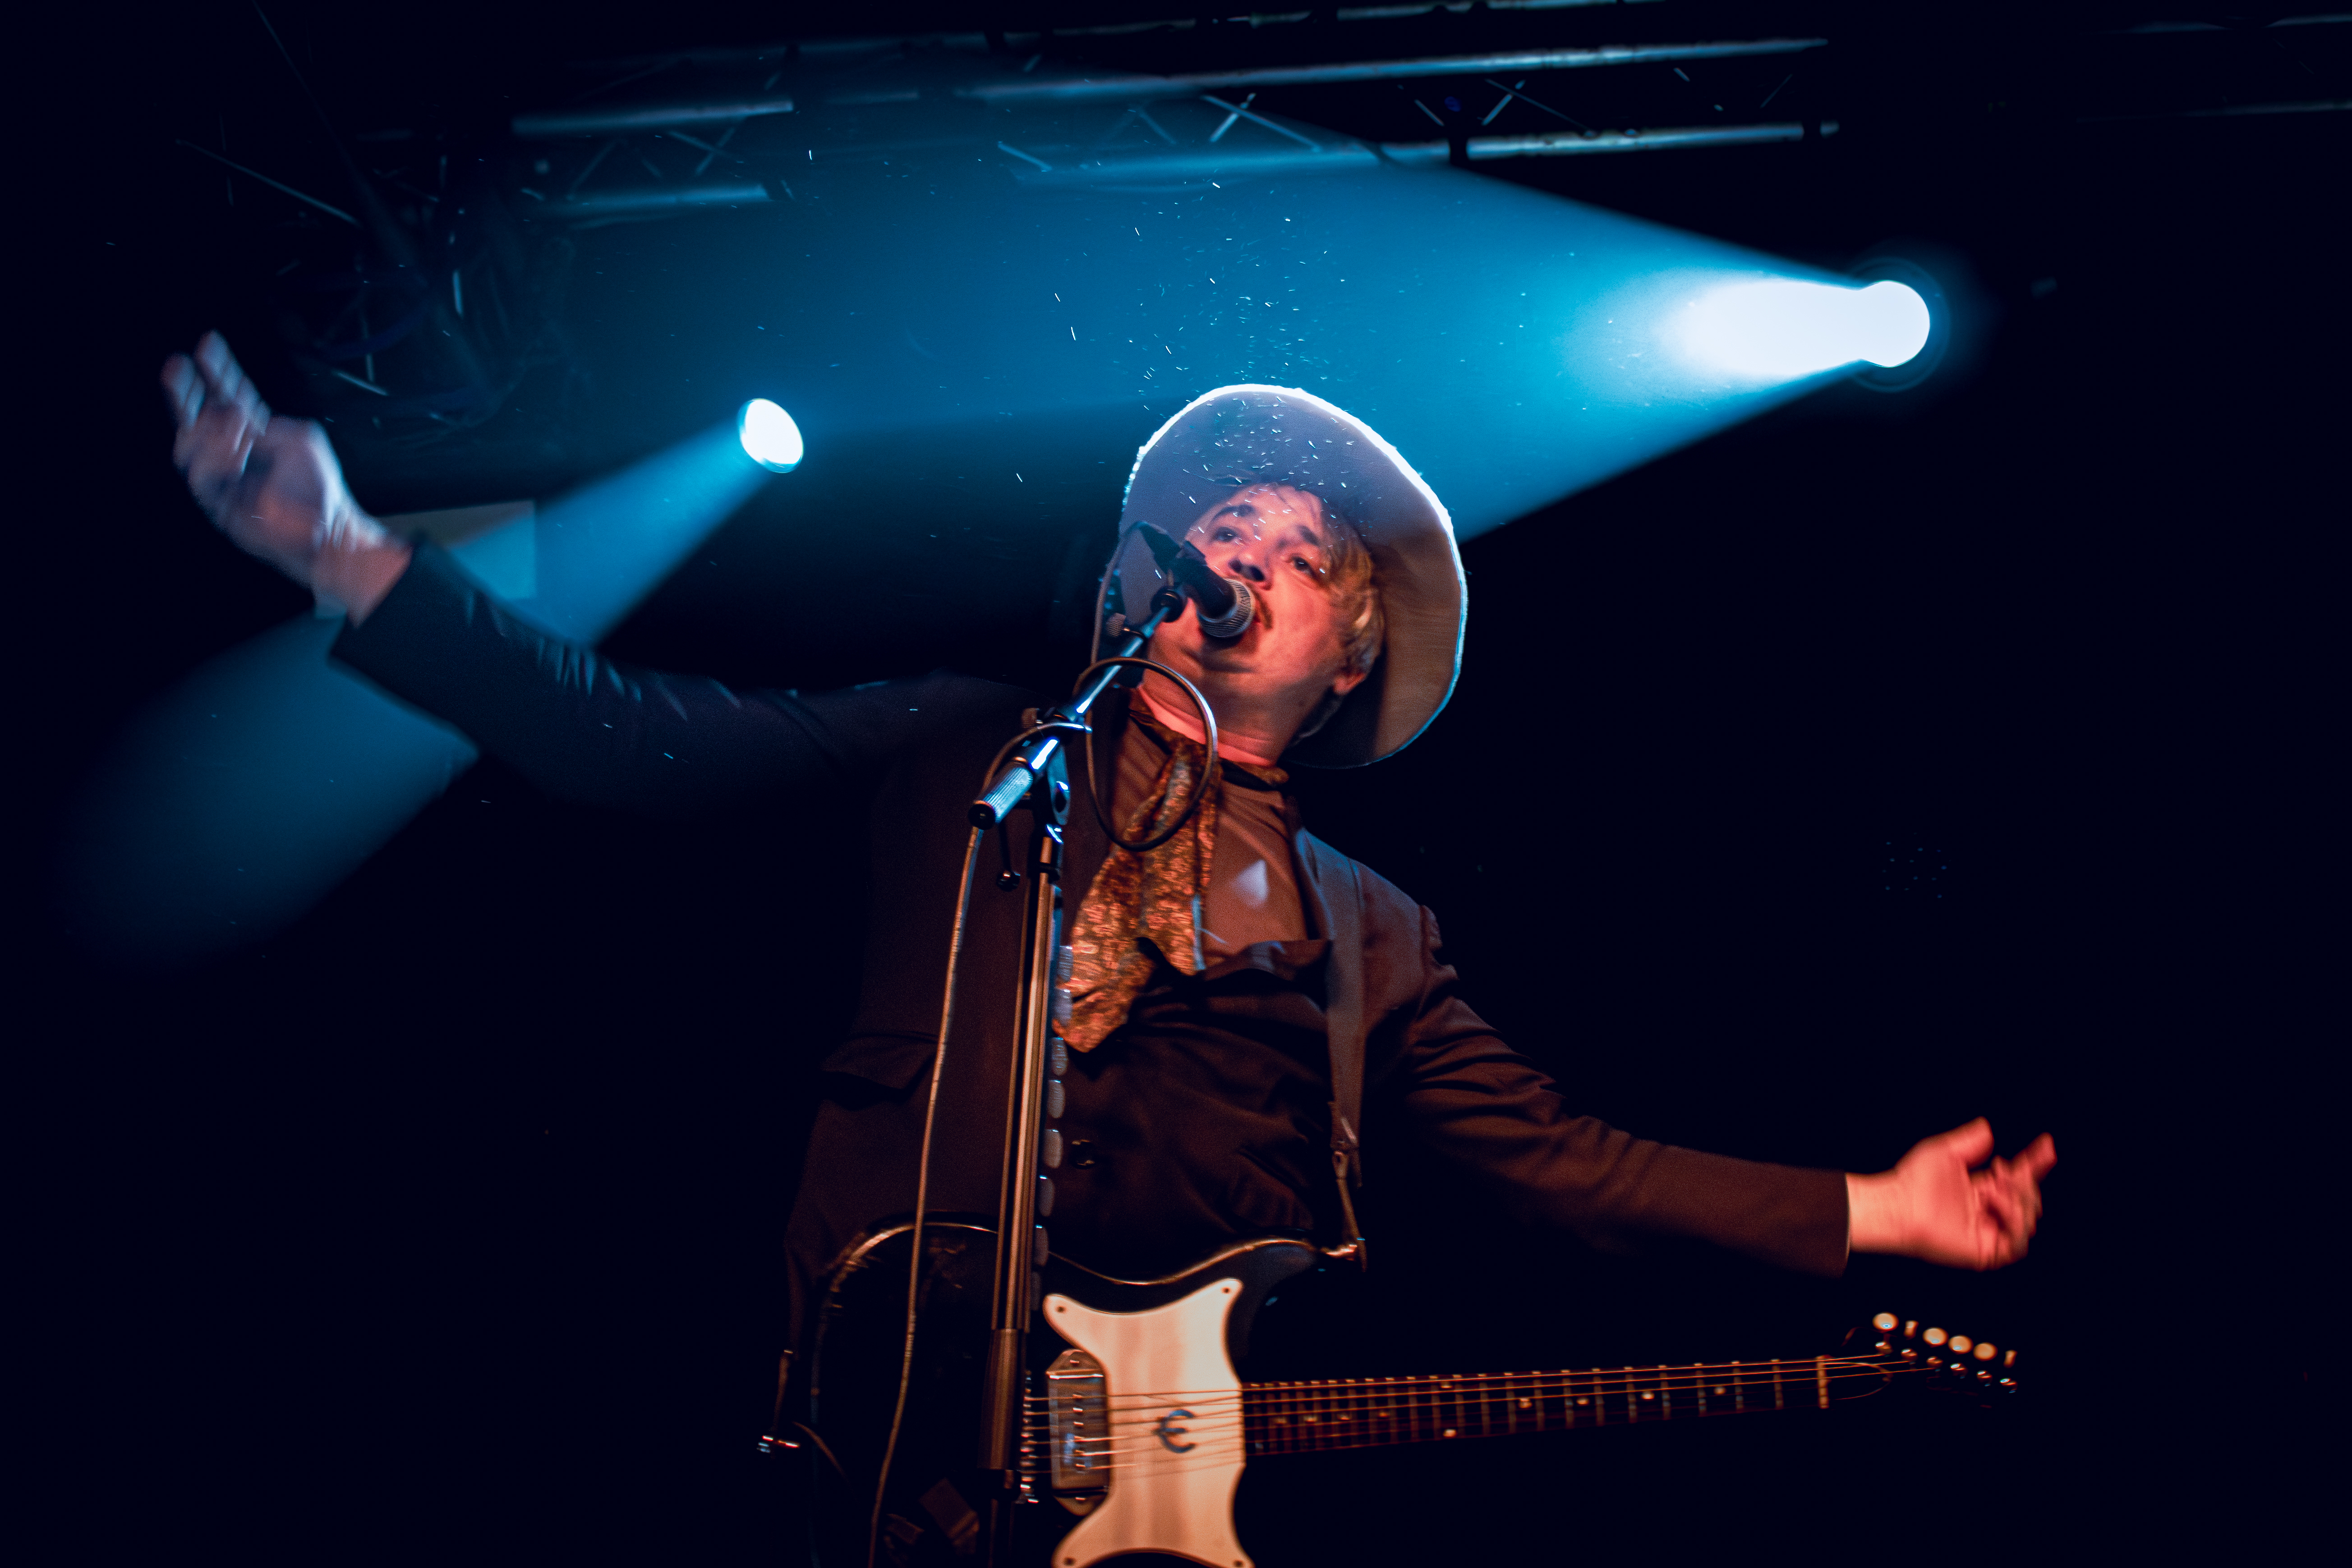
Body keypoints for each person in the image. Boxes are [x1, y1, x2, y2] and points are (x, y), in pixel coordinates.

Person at [159, 328, 2055, 1382]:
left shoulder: (1370, 932)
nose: (1245, 551)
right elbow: (637, 742)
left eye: (1297, 552)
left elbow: (1559, 1166)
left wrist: (1871, 1211)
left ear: (1349, 643)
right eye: (1222, 521)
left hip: (1177, 1472)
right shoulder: (965, 750)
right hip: (879, 1423)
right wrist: (341, 549)